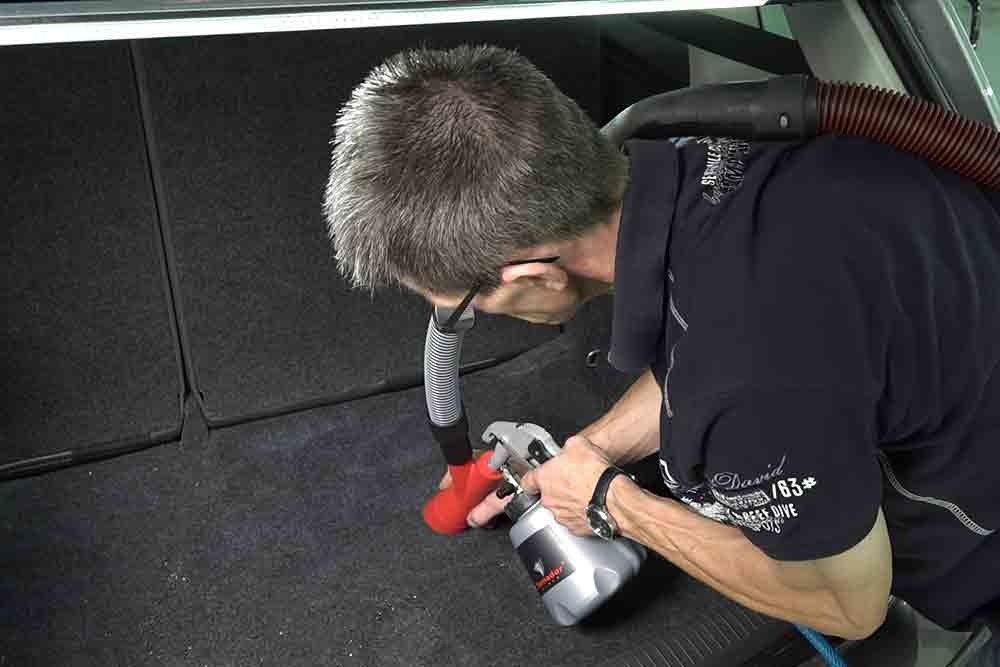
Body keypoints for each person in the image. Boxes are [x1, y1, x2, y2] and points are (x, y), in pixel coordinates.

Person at [323, 45, 1000, 651]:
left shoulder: (745, 378)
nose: (460, 321)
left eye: (462, 307)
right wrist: (589, 452)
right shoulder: (716, 142)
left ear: (535, 276)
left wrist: (612, 503)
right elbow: (718, 352)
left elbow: (848, 605)